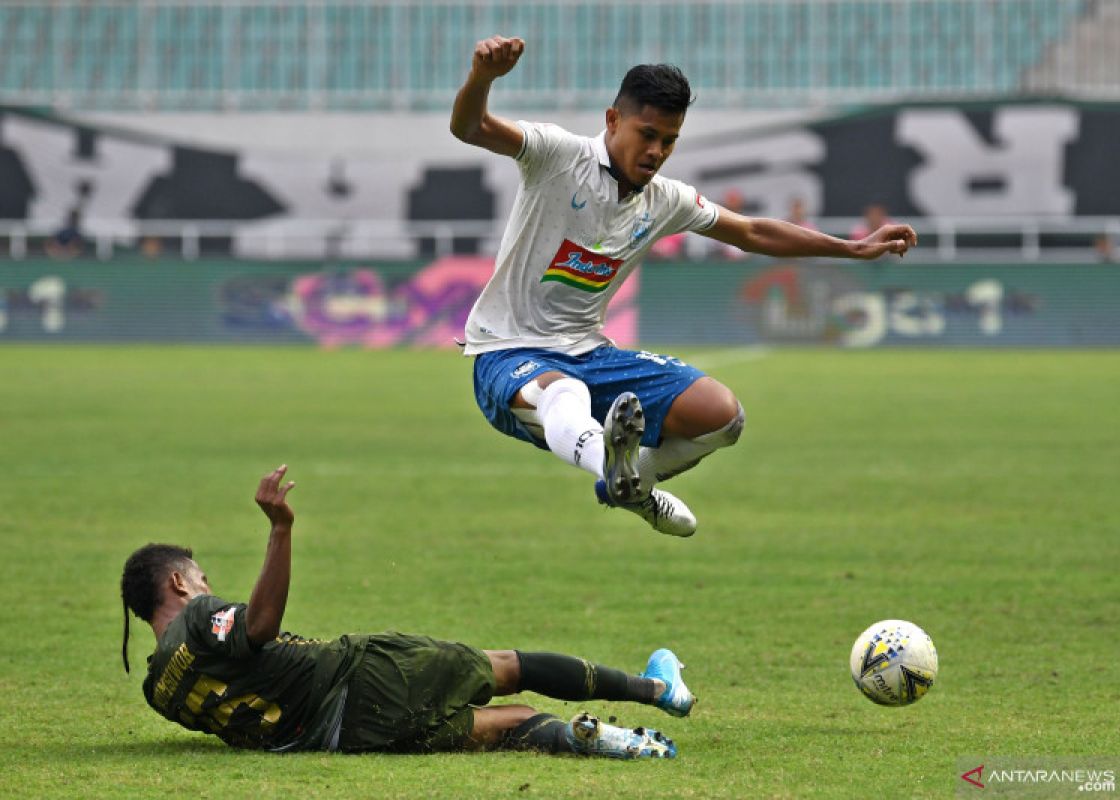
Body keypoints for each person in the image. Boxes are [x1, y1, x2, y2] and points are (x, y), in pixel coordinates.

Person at [450, 36, 917, 537]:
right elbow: (470, 127)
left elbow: (752, 231)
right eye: (647, 134)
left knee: (722, 416)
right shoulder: (558, 155)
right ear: (612, 120)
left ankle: (628, 483)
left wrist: (851, 247)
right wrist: (483, 77)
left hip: (588, 353)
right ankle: (611, 461)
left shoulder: (664, 199)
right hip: (507, 351)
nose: (656, 151)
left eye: (669, 141)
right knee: (562, 392)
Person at [121, 466, 694, 759]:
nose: (207, 586)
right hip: (361, 677)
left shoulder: (157, 691)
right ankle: (657, 691)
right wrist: (280, 529)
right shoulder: (199, 621)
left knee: (511, 722)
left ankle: (608, 741)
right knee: (505, 667)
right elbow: (260, 628)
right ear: (178, 582)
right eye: (202, 579)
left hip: (345, 738)